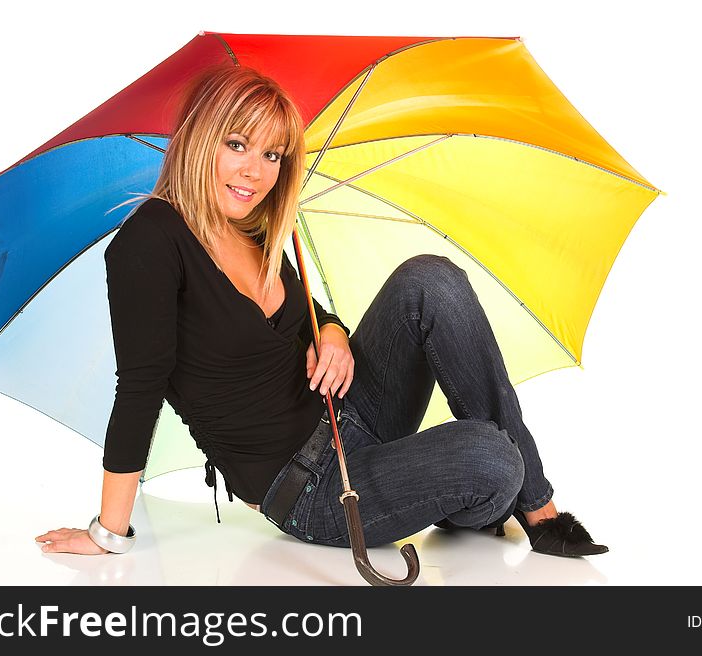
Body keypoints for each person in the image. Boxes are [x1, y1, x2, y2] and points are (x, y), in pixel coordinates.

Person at [35, 64, 607, 562]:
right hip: (311, 488)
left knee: (429, 278)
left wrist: (332, 331)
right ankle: (476, 495)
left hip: (349, 413)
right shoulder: (151, 241)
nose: (255, 173)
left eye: (271, 155)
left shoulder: (255, 230)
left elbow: (308, 312)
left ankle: (539, 509)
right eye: (236, 144)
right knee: (488, 454)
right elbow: (140, 388)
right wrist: (109, 532)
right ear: (198, 140)